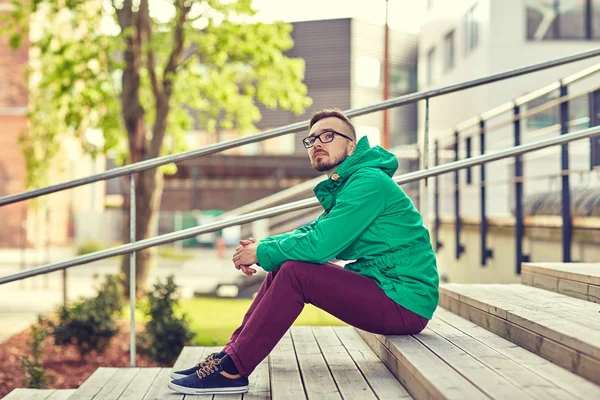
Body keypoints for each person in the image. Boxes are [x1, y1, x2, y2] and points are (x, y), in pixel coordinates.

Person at [168, 108, 439, 395]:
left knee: (297, 273)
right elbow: (310, 232)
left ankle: (233, 368)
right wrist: (263, 248)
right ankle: (229, 356)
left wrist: (262, 252)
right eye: (311, 140)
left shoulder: (369, 183)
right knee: (286, 267)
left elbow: (321, 245)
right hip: (388, 289)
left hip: (405, 301)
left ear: (352, 144)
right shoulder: (351, 184)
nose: (318, 143)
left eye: (328, 135)